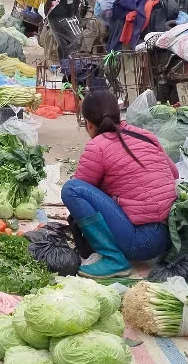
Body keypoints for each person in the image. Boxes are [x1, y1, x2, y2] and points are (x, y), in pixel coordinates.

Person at [63, 90, 177, 277]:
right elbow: (174, 173)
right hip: (170, 236)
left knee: (71, 189)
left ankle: (114, 260)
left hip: (141, 242)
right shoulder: (145, 136)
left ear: (88, 124)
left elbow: (81, 191)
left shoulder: (97, 146)